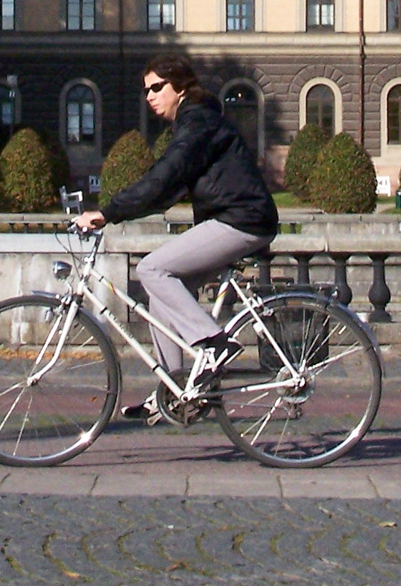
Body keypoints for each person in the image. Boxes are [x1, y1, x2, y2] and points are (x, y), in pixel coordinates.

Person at [73, 54, 278, 423]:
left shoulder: (198, 122)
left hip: (243, 220)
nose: (150, 96)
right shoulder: (194, 121)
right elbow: (167, 186)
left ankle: (215, 344)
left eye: (157, 87)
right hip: (233, 218)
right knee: (161, 297)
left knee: (152, 269)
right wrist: (123, 208)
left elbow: (166, 174)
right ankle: (176, 390)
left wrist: (108, 212)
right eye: (146, 90)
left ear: (180, 86)